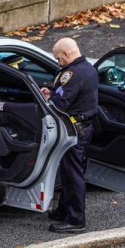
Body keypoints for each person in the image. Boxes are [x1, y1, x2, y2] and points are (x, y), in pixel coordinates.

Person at [41, 37, 99, 233]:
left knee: (73, 174)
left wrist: (48, 99)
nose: (58, 63)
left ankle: (76, 220)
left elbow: (61, 104)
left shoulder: (73, 74)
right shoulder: (88, 68)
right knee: (70, 171)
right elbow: (72, 96)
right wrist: (53, 93)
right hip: (83, 127)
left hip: (74, 130)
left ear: (66, 54)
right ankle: (64, 210)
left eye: (59, 58)